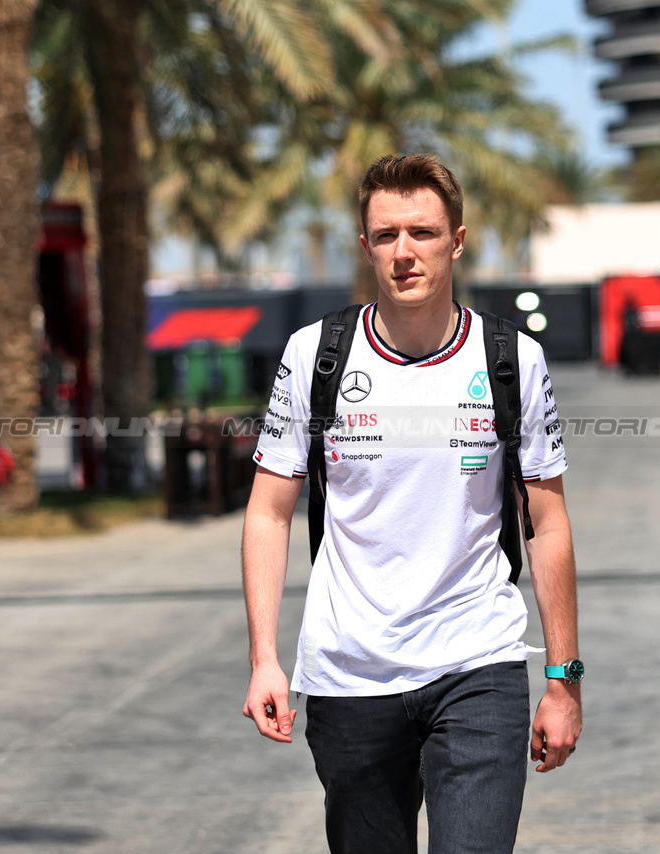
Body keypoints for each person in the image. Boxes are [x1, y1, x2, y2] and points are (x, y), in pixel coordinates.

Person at [241, 153, 581, 853]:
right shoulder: (316, 356)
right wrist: (264, 659)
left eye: (422, 233)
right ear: (365, 246)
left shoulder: (510, 359)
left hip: (477, 663)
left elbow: (545, 523)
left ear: (457, 240)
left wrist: (562, 678)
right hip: (349, 672)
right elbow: (268, 511)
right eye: (386, 235)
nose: (404, 253)